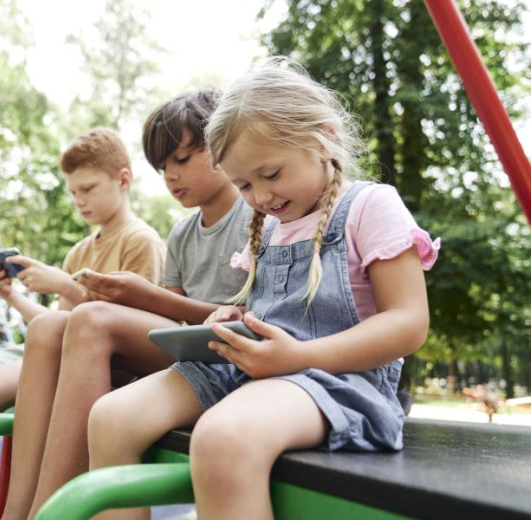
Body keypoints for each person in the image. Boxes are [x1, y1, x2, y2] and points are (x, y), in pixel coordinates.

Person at [87, 57, 440, 520]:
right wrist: (235, 319)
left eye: (270, 175)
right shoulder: (268, 228)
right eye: (244, 185)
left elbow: (409, 323)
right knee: (110, 417)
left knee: (222, 438)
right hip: (258, 371)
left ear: (322, 138)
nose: (260, 198)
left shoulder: (370, 207)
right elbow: (269, 311)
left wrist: (299, 357)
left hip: (338, 380)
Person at [0, 90, 254, 520]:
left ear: (220, 147)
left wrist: (141, 295)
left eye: (181, 159)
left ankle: (46, 512)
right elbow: (169, 324)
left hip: (230, 356)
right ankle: (17, 513)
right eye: (161, 167)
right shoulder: (182, 234)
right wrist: (131, 298)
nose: (170, 176)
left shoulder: (255, 216)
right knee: (47, 329)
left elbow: (247, 317)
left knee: (92, 319)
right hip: (186, 355)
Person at [0, 127, 166, 520]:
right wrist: (14, 295)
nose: (79, 200)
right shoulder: (81, 250)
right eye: (73, 192)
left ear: (123, 180)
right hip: (52, 345)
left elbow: (131, 323)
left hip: (90, 359)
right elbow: (53, 324)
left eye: (88, 189)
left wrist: (64, 285)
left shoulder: (139, 240)